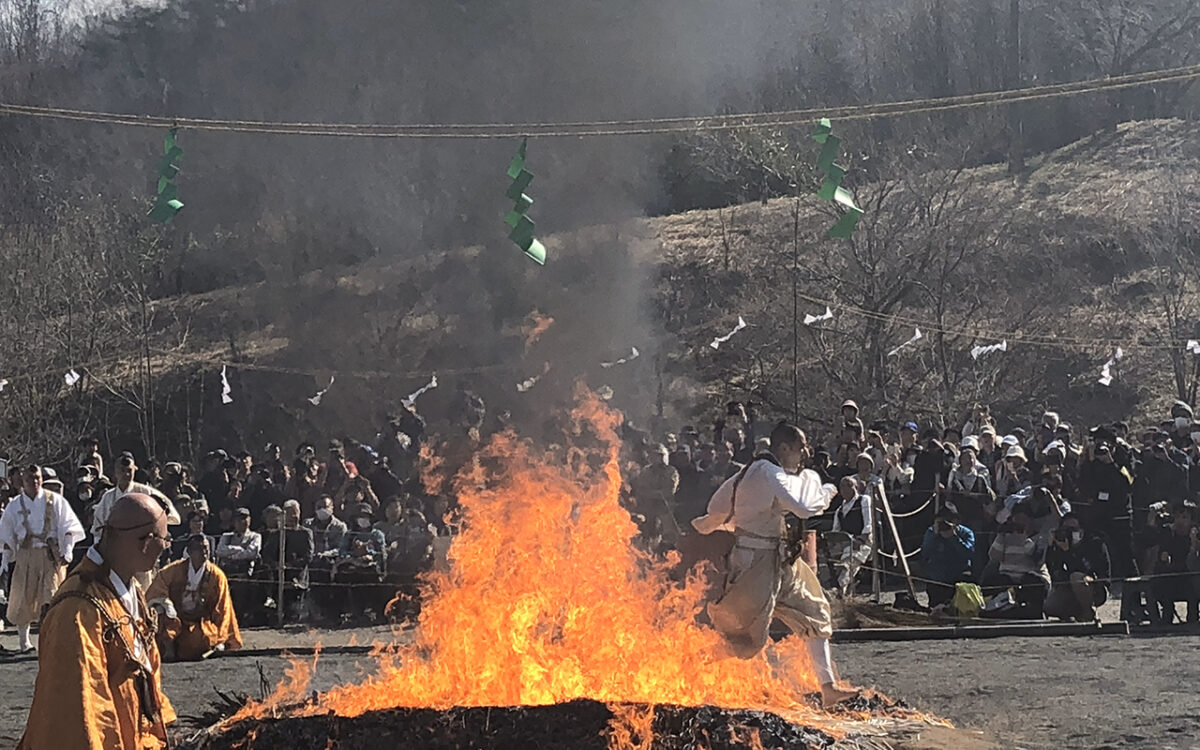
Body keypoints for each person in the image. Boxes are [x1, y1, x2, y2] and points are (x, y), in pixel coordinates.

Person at [692, 421, 860, 707]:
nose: (803, 454)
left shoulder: (753, 473)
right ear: (783, 448)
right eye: (799, 448)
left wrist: (708, 526)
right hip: (753, 563)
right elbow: (804, 506)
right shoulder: (766, 473)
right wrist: (828, 489)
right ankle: (692, 671)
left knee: (815, 610)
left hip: (780, 560)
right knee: (745, 638)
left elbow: (715, 509)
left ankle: (828, 686)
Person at [19, 492, 176, 749]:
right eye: (165, 539)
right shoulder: (78, 611)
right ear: (147, 542)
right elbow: (80, 713)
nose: (167, 546)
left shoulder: (129, 587)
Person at [0, 465, 87, 652]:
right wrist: (6, 560)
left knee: (52, 596)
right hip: (26, 555)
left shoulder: (55, 500)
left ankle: (51, 640)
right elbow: (6, 535)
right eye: (30, 478)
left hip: (50, 555)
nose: (35, 481)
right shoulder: (14, 505)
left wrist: (68, 550)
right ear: (23, 481)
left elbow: (69, 526)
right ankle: (24, 642)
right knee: (23, 596)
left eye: (38, 477)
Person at [147, 534, 243, 661]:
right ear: (190, 552)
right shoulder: (173, 570)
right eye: (199, 548)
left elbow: (223, 608)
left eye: (206, 548)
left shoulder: (217, 576)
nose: (204, 552)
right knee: (161, 619)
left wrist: (222, 637)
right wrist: (167, 605)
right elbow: (158, 588)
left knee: (198, 641)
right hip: (175, 616)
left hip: (199, 620)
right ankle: (168, 648)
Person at [91, 453, 180, 539]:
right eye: (122, 470)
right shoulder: (108, 497)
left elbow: (173, 517)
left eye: (129, 470)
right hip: (115, 546)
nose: (126, 474)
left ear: (135, 470)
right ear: (115, 472)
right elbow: (97, 529)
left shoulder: (146, 492)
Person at [1044, 514, 1110, 622]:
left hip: (1095, 585)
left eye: (1073, 529)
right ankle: (1075, 611)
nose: (1069, 532)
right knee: (1050, 607)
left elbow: (1086, 569)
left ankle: (1088, 612)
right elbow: (1054, 570)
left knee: (1076, 577)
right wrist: (1051, 547)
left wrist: (1069, 552)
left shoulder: (1094, 543)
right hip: (1070, 586)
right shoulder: (1062, 543)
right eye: (1065, 529)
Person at [921, 506, 975, 608]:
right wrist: (934, 535)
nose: (944, 525)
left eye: (948, 521)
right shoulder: (931, 532)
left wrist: (954, 538)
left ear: (957, 521)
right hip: (937, 577)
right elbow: (925, 553)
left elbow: (969, 553)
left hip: (959, 576)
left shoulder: (966, 533)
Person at [829, 476, 873, 597]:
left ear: (856, 487)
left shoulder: (864, 500)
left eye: (849, 485)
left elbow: (868, 523)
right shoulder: (839, 510)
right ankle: (842, 593)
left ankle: (839, 591)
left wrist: (862, 538)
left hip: (862, 542)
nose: (845, 489)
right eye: (842, 486)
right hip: (844, 543)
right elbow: (835, 531)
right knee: (829, 562)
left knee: (847, 564)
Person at [215, 507, 262, 577]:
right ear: (234, 522)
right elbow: (219, 551)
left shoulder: (255, 536)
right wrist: (239, 549)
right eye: (239, 519)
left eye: (244, 518)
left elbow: (251, 553)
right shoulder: (226, 536)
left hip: (246, 573)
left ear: (249, 520)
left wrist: (232, 557)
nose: (242, 521)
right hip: (226, 573)